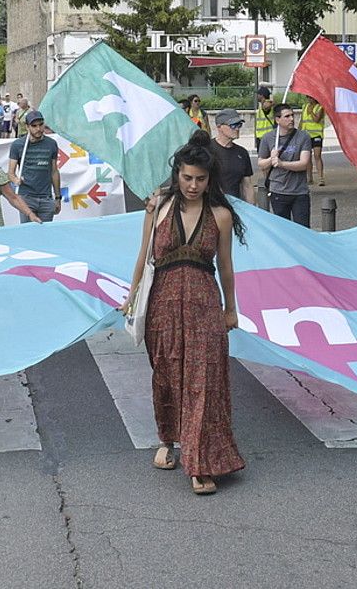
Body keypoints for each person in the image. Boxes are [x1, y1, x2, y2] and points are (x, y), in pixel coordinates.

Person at [126, 131, 246, 495]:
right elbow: (143, 255)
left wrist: (230, 309)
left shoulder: (222, 215)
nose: (193, 185)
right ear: (176, 174)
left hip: (204, 305)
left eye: (200, 179)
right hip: (162, 302)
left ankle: (200, 462)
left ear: (210, 181)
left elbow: (225, 266)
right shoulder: (158, 206)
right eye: (187, 177)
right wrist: (131, 297)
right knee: (166, 374)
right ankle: (169, 439)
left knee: (203, 381)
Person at [256, 104, 313, 226]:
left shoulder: (303, 137)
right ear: (277, 120)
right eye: (287, 116)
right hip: (278, 191)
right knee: (283, 230)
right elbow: (261, 164)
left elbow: (304, 164)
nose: (291, 119)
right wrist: (271, 159)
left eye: (292, 115)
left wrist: (282, 164)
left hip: (299, 192)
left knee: (302, 231)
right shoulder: (268, 138)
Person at [7, 110, 63, 223]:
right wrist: (16, 180)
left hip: (46, 198)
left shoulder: (51, 144)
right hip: (26, 198)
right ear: (27, 127)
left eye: (41, 124)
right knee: (28, 235)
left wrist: (57, 198)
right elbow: (10, 173)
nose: (38, 129)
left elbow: (54, 172)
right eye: (34, 126)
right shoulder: (18, 145)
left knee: (45, 235)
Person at [210, 109, 255, 204]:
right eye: (233, 125)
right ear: (219, 127)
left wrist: (253, 210)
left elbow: (247, 185)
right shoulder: (207, 149)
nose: (237, 129)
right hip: (212, 205)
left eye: (239, 125)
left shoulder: (242, 153)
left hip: (235, 206)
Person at [301, 98, 326, 186]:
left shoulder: (320, 107)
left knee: (317, 155)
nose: (309, 99)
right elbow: (302, 121)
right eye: (307, 97)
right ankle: (310, 178)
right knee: (307, 157)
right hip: (306, 134)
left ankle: (320, 178)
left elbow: (317, 119)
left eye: (310, 97)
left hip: (316, 134)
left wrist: (311, 112)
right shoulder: (304, 106)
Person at [252, 86, 275, 151]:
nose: (257, 96)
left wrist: (272, 102)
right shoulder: (262, 105)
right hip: (261, 137)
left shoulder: (266, 103)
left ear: (262, 95)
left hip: (266, 137)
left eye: (258, 94)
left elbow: (267, 107)